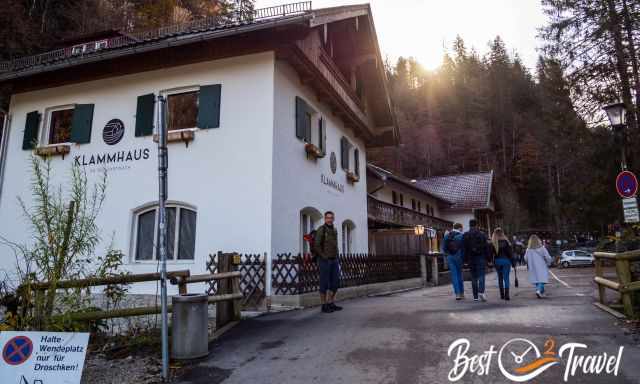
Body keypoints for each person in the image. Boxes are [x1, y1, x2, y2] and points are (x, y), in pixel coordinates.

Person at [313, 211, 342, 313]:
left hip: (334, 260)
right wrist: (323, 256)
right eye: (327, 218)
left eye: (331, 218)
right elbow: (316, 245)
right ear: (325, 219)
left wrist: (337, 256)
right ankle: (324, 305)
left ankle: (330, 302)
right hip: (324, 260)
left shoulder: (334, 230)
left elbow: (335, 244)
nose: (329, 219)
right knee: (324, 283)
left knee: (335, 282)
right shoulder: (322, 229)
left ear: (333, 219)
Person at [463, 219, 489, 302]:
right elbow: (486, 247)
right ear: (477, 225)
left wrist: (465, 260)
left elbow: (464, 249)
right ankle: (481, 291)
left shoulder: (466, 235)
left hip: (470, 258)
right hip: (480, 257)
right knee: (481, 275)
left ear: (469, 225)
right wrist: (488, 259)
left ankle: (475, 296)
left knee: (473, 277)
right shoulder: (482, 234)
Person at [524, 234, 553, 298]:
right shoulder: (542, 248)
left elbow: (525, 258)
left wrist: (529, 262)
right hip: (541, 266)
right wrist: (549, 262)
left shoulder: (528, 250)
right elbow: (547, 257)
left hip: (533, 267)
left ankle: (539, 291)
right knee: (542, 280)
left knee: (537, 280)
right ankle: (539, 291)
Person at [490, 228, 514, 301]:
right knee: (506, 278)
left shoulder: (493, 243)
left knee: (500, 278)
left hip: (497, 261)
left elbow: (491, 254)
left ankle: (502, 294)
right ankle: (507, 295)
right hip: (506, 261)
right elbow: (510, 253)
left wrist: (491, 262)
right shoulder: (506, 242)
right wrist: (513, 262)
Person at [443, 223, 465, 300]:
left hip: (450, 256)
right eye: (462, 228)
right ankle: (462, 293)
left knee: (454, 275)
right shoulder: (461, 236)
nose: (462, 229)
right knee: (459, 274)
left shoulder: (447, 236)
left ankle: (457, 294)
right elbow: (464, 248)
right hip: (458, 256)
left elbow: (444, 248)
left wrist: (448, 254)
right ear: (459, 228)